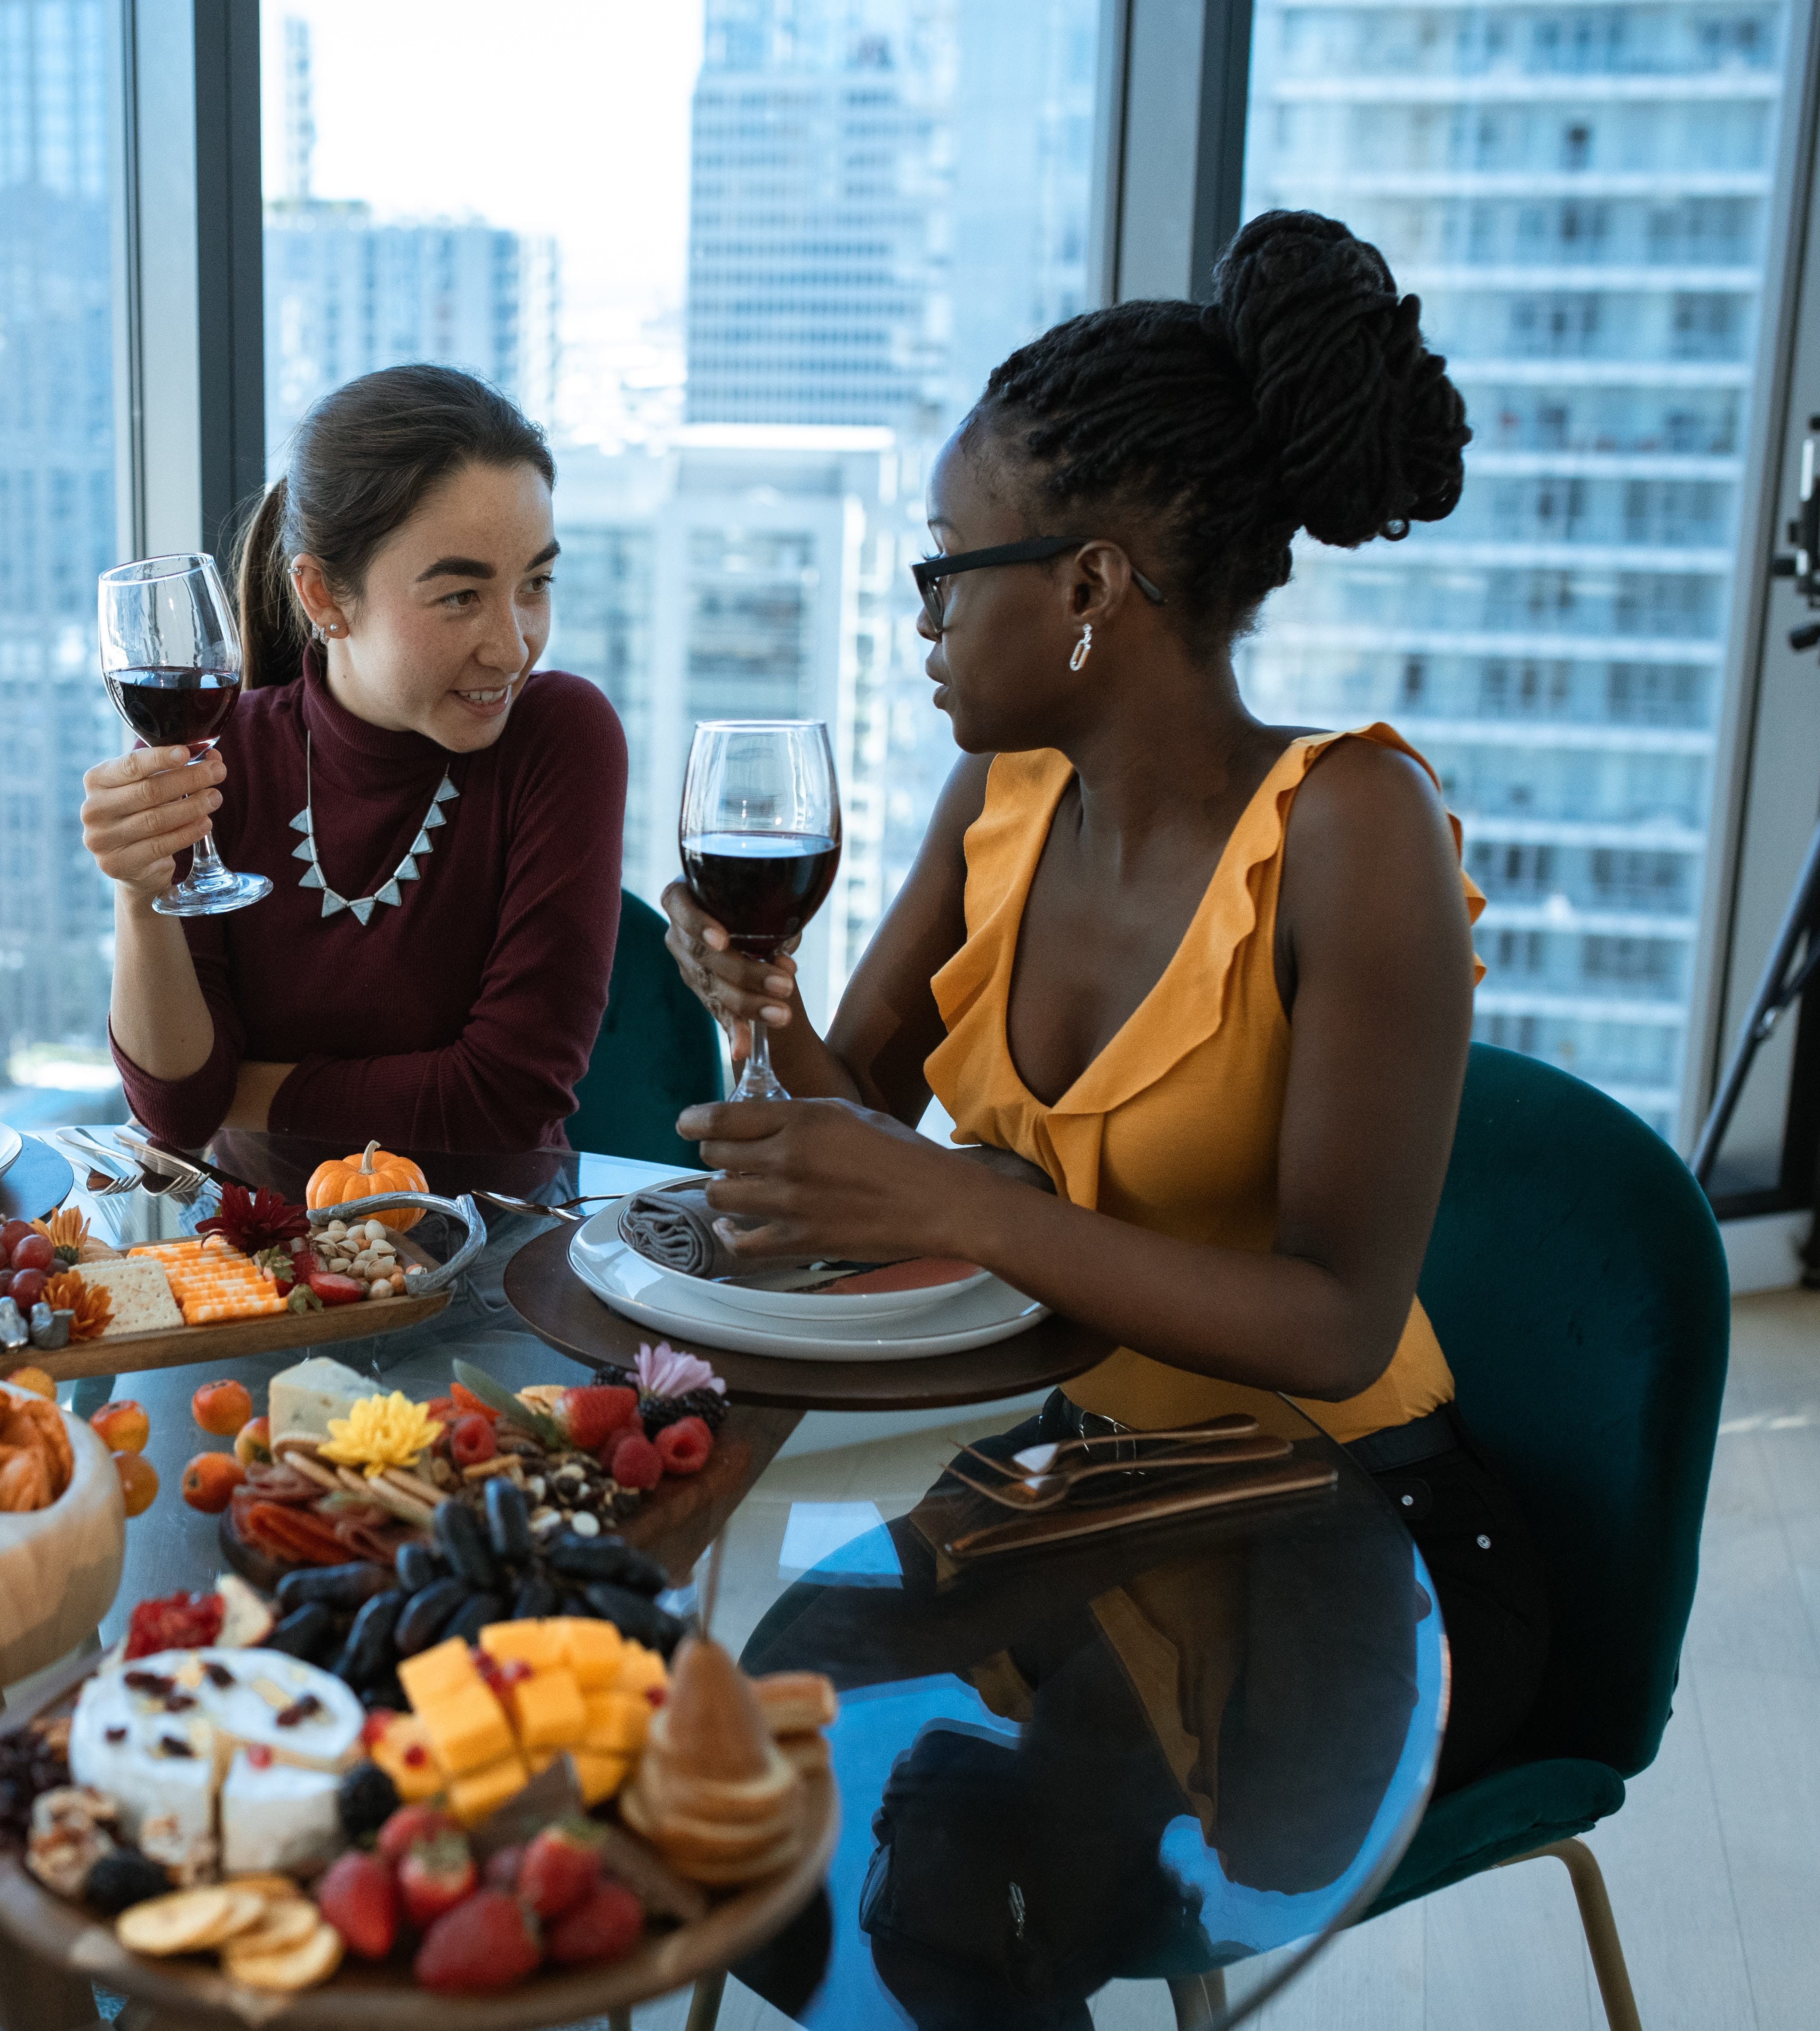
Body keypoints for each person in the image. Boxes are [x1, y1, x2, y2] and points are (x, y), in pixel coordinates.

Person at [662, 211, 1548, 1787]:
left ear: (1089, 582)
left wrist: (968, 1204)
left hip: (1348, 1518)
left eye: (946, 567)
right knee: (775, 1741)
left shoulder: (1352, 826)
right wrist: (772, 1003)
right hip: (1090, 1478)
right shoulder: (1002, 798)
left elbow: (1338, 1324)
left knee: (957, 1846)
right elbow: (856, 1130)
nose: (922, 616)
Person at [86, 363, 627, 1156]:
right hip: (251, 1257)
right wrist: (139, 895)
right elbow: (176, 1114)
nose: (514, 648)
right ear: (324, 598)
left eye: (535, 583)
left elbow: (503, 1100)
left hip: (499, 1249)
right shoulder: (211, 756)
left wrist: (244, 1090)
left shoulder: (561, 735)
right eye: (460, 597)